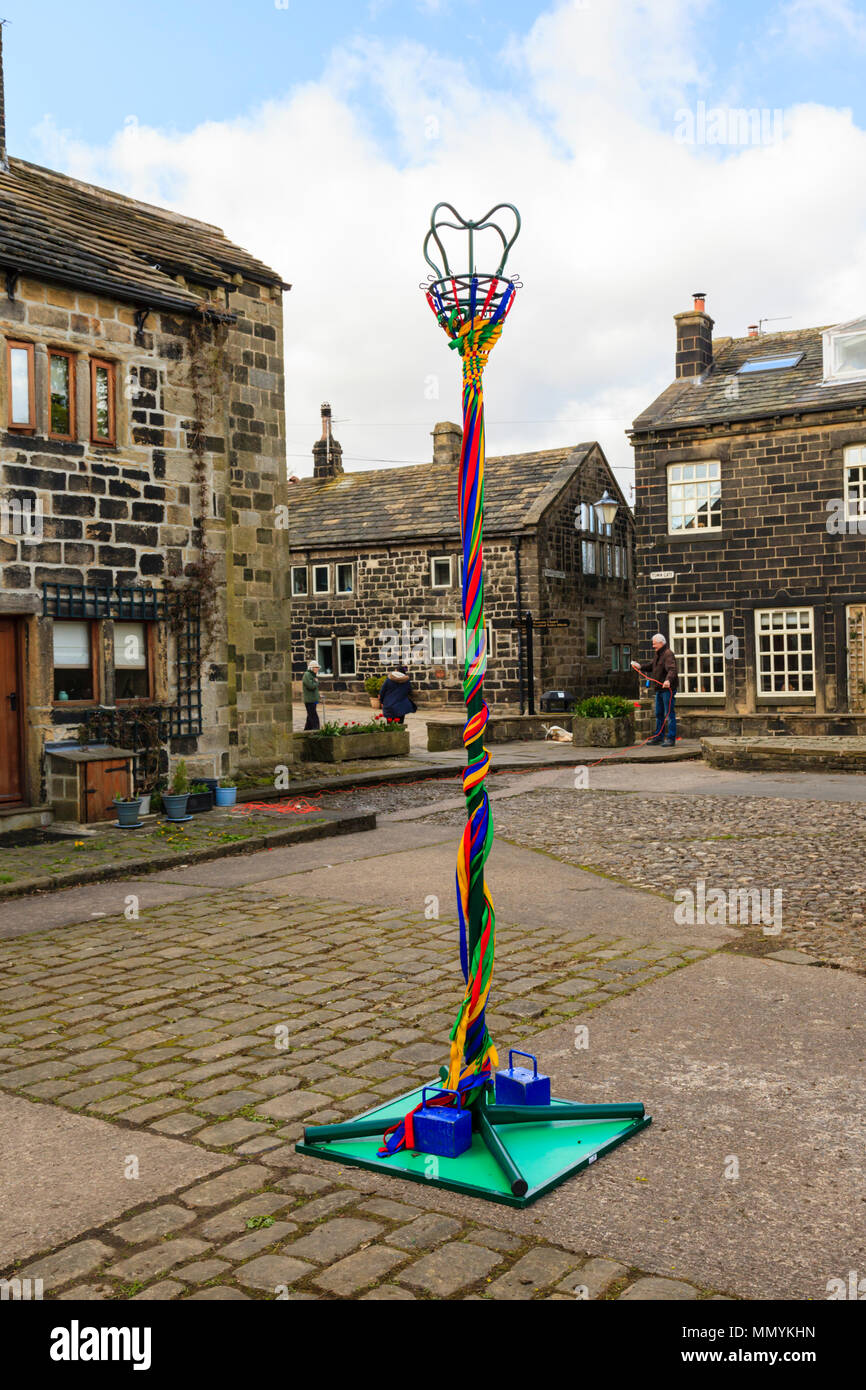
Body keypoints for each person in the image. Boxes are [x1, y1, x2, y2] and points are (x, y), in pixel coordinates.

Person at [631, 634, 678, 746]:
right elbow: (652, 666)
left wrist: (668, 681)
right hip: (659, 689)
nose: (653, 646)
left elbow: (672, 669)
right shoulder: (658, 654)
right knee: (659, 713)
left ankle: (671, 738)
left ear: (661, 643)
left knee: (669, 714)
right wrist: (640, 666)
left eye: (654, 643)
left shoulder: (668, 654)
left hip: (668, 689)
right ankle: (659, 736)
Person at [302, 660, 321, 730]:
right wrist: (316, 683)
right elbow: (310, 686)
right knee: (314, 717)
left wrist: (318, 695)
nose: (318, 669)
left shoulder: (312, 675)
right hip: (309, 700)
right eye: (316, 667)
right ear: (312, 668)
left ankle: (307, 730)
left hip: (313, 700)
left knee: (310, 717)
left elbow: (314, 688)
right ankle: (316, 730)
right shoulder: (307, 675)